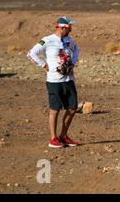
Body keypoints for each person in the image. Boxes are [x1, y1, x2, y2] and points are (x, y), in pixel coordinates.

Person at [27, 16, 80, 148]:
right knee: (55, 109)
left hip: (69, 79)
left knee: (72, 108)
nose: (71, 30)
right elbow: (31, 54)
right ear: (62, 28)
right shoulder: (47, 40)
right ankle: (53, 138)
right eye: (69, 28)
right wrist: (43, 65)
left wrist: (72, 63)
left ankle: (63, 135)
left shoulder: (69, 40)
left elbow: (77, 50)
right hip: (54, 81)